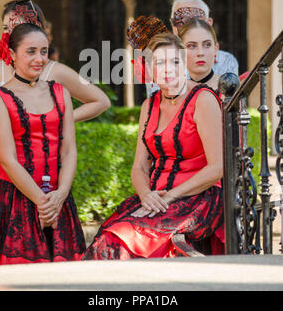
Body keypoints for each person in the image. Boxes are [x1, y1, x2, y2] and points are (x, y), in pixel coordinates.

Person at [82, 32, 224, 260]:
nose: (168, 69)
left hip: (198, 196)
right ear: (149, 70)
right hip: (155, 198)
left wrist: (169, 197)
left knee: (120, 243)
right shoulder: (149, 104)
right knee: (105, 240)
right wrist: (146, 194)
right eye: (160, 63)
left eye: (175, 61)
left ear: (184, 63)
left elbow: (218, 167)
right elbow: (139, 166)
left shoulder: (203, 99)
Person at [0, 23, 85, 265]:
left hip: (58, 200)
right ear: (12, 54)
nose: (39, 58)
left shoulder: (61, 92)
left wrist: (60, 195)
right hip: (14, 201)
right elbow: (7, 160)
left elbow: (69, 149)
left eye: (44, 51)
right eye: (31, 51)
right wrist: (43, 202)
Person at [0, 0, 111, 123]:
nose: (9, 33)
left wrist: (58, 121)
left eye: (16, 27)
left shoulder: (56, 71)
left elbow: (101, 101)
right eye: (6, 28)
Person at [170, 0, 239, 76]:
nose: (190, 27)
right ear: (173, 26)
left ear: (209, 23)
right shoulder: (159, 62)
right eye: (181, 21)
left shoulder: (225, 60)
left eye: (197, 20)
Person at [178, 18, 220, 92]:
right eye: (191, 46)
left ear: (216, 49)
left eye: (207, 45)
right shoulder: (175, 93)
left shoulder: (230, 90)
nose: (200, 53)